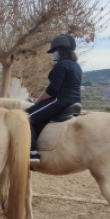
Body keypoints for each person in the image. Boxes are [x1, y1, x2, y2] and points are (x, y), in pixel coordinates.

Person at [26, 33, 83, 163]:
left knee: (25, 116)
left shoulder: (61, 65)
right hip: (75, 101)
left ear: (60, 50)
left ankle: (32, 152)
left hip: (60, 101)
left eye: (54, 51)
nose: (53, 54)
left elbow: (52, 90)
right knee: (38, 116)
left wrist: (38, 100)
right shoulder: (76, 66)